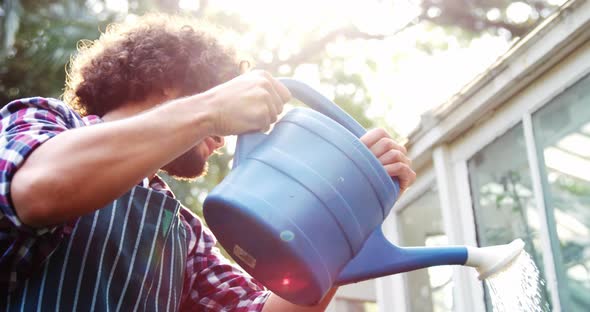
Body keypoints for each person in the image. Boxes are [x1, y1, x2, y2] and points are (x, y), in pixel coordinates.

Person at [0, 14, 416, 311]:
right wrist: (212, 109)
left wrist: (351, 210)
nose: (224, 138)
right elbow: (37, 190)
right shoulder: (45, 121)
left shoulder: (181, 231)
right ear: (168, 84)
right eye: (218, 100)